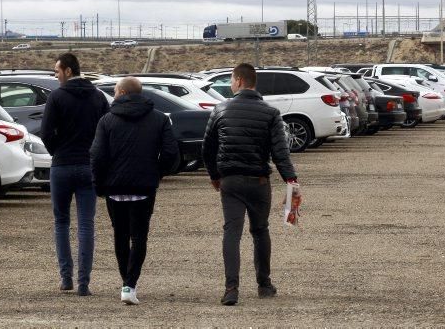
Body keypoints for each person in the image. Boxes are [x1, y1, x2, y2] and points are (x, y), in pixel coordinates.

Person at [202, 63, 298, 306]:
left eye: (232, 81)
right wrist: (291, 182)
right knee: (260, 231)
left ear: (238, 81)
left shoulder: (220, 109)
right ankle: (264, 284)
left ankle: (231, 288)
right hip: (259, 181)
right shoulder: (271, 113)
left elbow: (208, 147)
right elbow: (280, 152)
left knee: (231, 233)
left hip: (230, 180)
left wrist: (215, 175)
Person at [90, 77, 179, 305]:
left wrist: (99, 183)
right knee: (139, 236)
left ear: (120, 92)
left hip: (114, 187)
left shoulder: (106, 121)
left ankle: (126, 283)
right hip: (144, 187)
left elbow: (97, 156)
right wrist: (156, 173)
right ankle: (130, 284)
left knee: (120, 234)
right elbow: (171, 153)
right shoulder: (159, 119)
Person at [41, 52, 110, 296]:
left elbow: (46, 132)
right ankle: (84, 283)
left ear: (68, 71)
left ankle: (66, 278)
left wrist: (57, 151)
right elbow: (106, 132)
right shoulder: (99, 97)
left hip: (62, 166)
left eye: (57, 71)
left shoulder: (57, 97)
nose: (56, 75)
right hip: (88, 166)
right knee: (86, 225)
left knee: (61, 222)